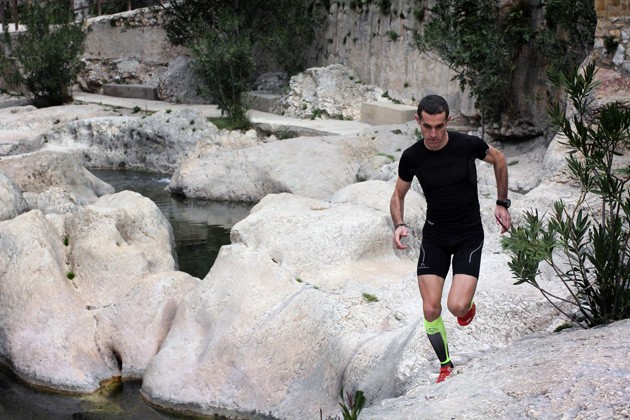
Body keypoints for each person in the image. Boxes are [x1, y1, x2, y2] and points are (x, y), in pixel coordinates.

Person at [390, 94, 511, 383]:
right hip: (435, 237)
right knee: (431, 307)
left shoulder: (466, 145)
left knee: (457, 306)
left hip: (469, 235)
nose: (433, 134)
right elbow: (398, 194)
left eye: (439, 127)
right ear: (418, 121)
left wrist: (502, 203)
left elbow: (500, 159)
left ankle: (467, 308)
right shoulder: (412, 157)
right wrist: (399, 224)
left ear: (448, 122)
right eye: (427, 127)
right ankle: (445, 365)